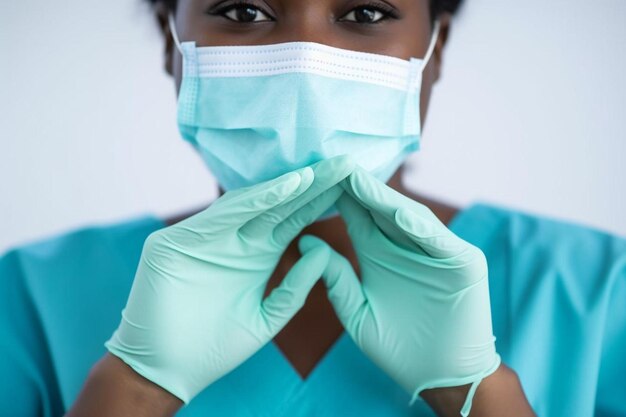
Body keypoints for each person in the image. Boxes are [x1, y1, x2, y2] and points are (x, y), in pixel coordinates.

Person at [1, 0, 624, 416]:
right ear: (172, 44)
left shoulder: (600, 292)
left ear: (436, 49)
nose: (304, 60)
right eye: (244, 10)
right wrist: (128, 389)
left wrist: (481, 395)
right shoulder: (29, 295)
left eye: (365, 11)